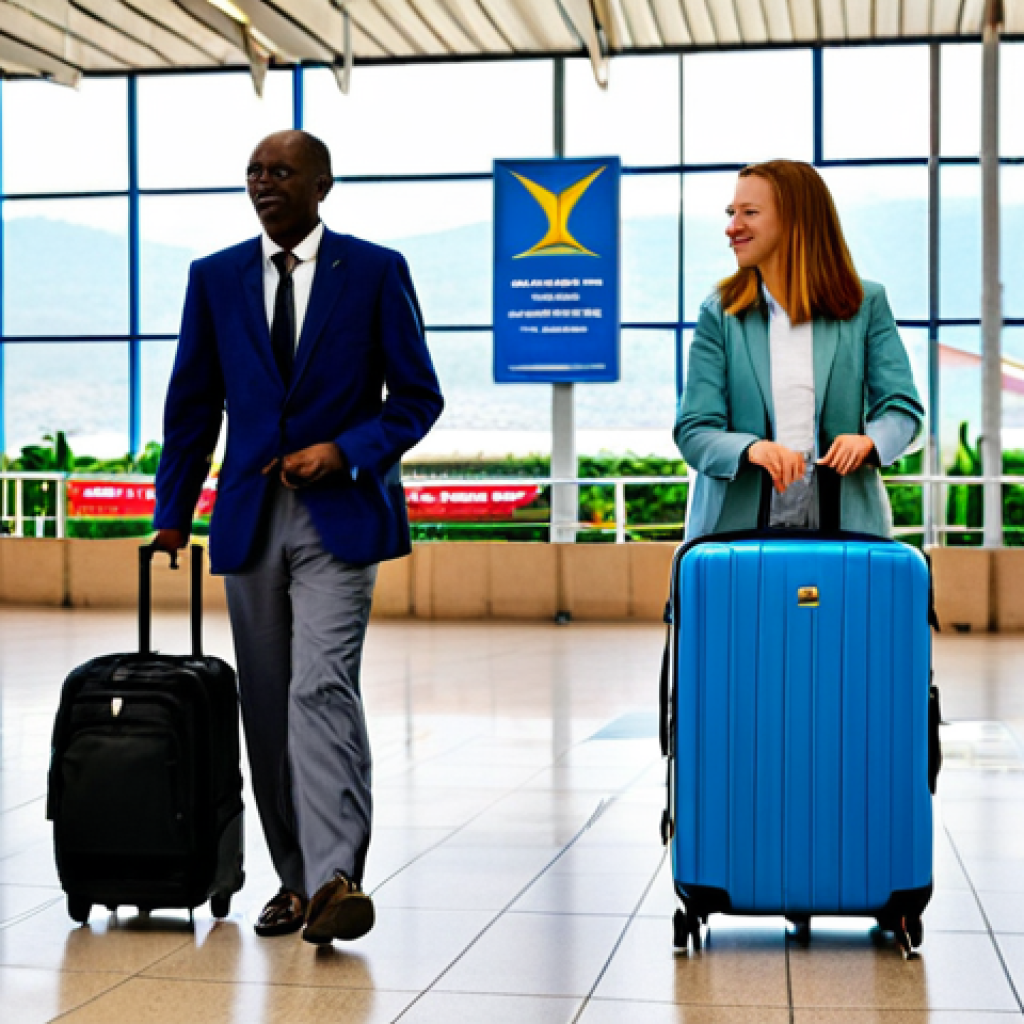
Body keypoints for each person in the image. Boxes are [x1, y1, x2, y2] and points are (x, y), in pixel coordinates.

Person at [152, 129, 443, 945]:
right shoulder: (213, 279)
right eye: (254, 170)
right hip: (247, 513)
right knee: (266, 703)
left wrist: (344, 450)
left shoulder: (377, 271)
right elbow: (192, 401)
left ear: (322, 184)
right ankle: (293, 880)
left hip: (341, 513)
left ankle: (334, 876)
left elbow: (417, 399)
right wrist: (172, 510)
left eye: (281, 170)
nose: (263, 181)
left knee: (320, 686)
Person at [675, 159, 924, 538]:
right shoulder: (720, 312)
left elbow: (902, 408)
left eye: (750, 213)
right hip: (734, 529)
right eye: (731, 213)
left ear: (796, 221)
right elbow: (694, 430)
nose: (731, 227)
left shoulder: (865, 303)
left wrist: (871, 441)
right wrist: (751, 449)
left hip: (843, 523)